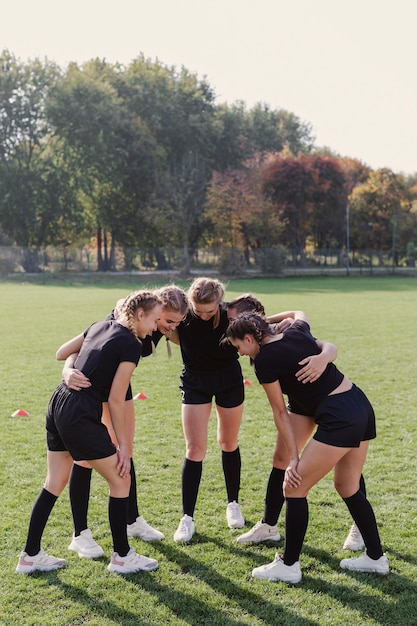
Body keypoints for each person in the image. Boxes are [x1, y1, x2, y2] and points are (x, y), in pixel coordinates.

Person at [225, 312, 388, 583]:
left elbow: (280, 412)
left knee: (294, 486)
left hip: (338, 416)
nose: (241, 353)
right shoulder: (295, 332)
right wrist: (264, 320)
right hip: (359, 404)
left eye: (239, 347)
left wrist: (293, 459)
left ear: (249, 338)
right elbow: (299, 313)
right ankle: (375, 557)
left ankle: (289, 566)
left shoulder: (264, 360)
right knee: (348, 486)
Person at [16, 290, 163, 575]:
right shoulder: (131, 345)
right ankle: (122, 556)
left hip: (58, 402)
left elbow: (62, 353)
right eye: (155, 320)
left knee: (55, 481)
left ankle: (30, 555)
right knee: (122, 479)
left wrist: (69, 369)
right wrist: (123, 446)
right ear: (140, 314)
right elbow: (117, 399)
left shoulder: (98, 325)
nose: (156, 328)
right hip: (80, 413)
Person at [57, 285, 189, 558]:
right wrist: (67, 370)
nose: (171, 328)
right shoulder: (123, 316)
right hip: (93, 389)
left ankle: (132, 520)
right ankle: (80, 533)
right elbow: (80, 348)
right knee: (86, 457)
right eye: (167, 321)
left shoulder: (154, 327)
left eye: (178, 323)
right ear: (153, 312)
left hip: (119, 386)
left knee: (125, 449)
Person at [168, 277, 246, 542]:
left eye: (209, 311)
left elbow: (259, 318)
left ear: (220, 302)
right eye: (197, 310)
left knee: (228, 441)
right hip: (194, 381)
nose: (202, 315)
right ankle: (187, 518)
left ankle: (233, 503)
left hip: (229, 380)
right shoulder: (184, 315)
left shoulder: (230, 315)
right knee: (195, 449)